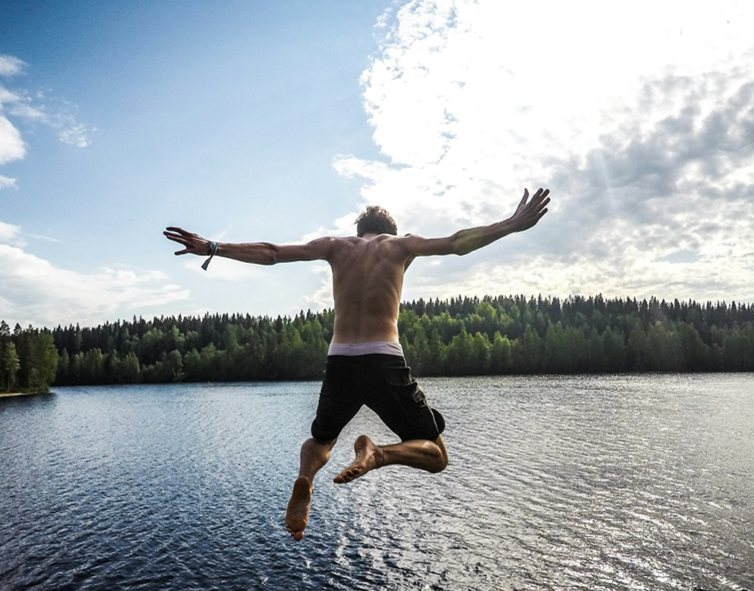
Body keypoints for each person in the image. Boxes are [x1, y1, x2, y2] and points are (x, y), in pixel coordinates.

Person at [164, 187, 550, 541]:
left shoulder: (335, 246)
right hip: (384, 358)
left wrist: (214, 246)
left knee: (321, 439)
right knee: (436, 454)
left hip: (341, 359)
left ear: (361, 229)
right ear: (389, 230)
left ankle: (305, 478)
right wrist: (511, 225)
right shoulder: (401, 246)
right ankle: (378, 453)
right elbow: (456, 244)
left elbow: (273, 253)